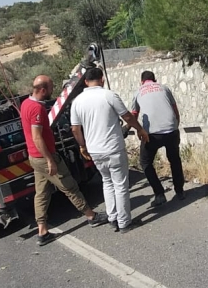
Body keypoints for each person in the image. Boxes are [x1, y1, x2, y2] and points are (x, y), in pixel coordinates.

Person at [20, 75, 107, 246]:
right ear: (43, 89)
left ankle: (42, 231)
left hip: (34, 158)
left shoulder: (25, 104)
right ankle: (91, 216)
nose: (53, 90)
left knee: (42, 194)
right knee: (69, 187)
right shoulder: (36, 109)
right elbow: (37, 138)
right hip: (45, 157)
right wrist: (50, 160)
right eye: (51, 86)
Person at [70, 67, 149, 234]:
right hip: (113, 147)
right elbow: (127, 116)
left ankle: (112, 218)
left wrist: (83, 146)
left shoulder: (77, 101)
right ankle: (124, 222)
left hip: (95, 150)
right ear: (102, 79)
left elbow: (75, 129)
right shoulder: (108, 95)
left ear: (85, 82)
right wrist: (140, 129)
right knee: (120, 185)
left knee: (107, 182)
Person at [131, 70, 185, 206]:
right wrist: (175, 126)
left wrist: (138, 130)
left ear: (141, 81)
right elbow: (174, 109)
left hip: (152, 134)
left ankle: (159, 194)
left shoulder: (138, 91)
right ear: (155, 80)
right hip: (171, 130)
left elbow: (134, 114)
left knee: (145, 163)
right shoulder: (164, 88)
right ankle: (180, 191)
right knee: (175, 160)